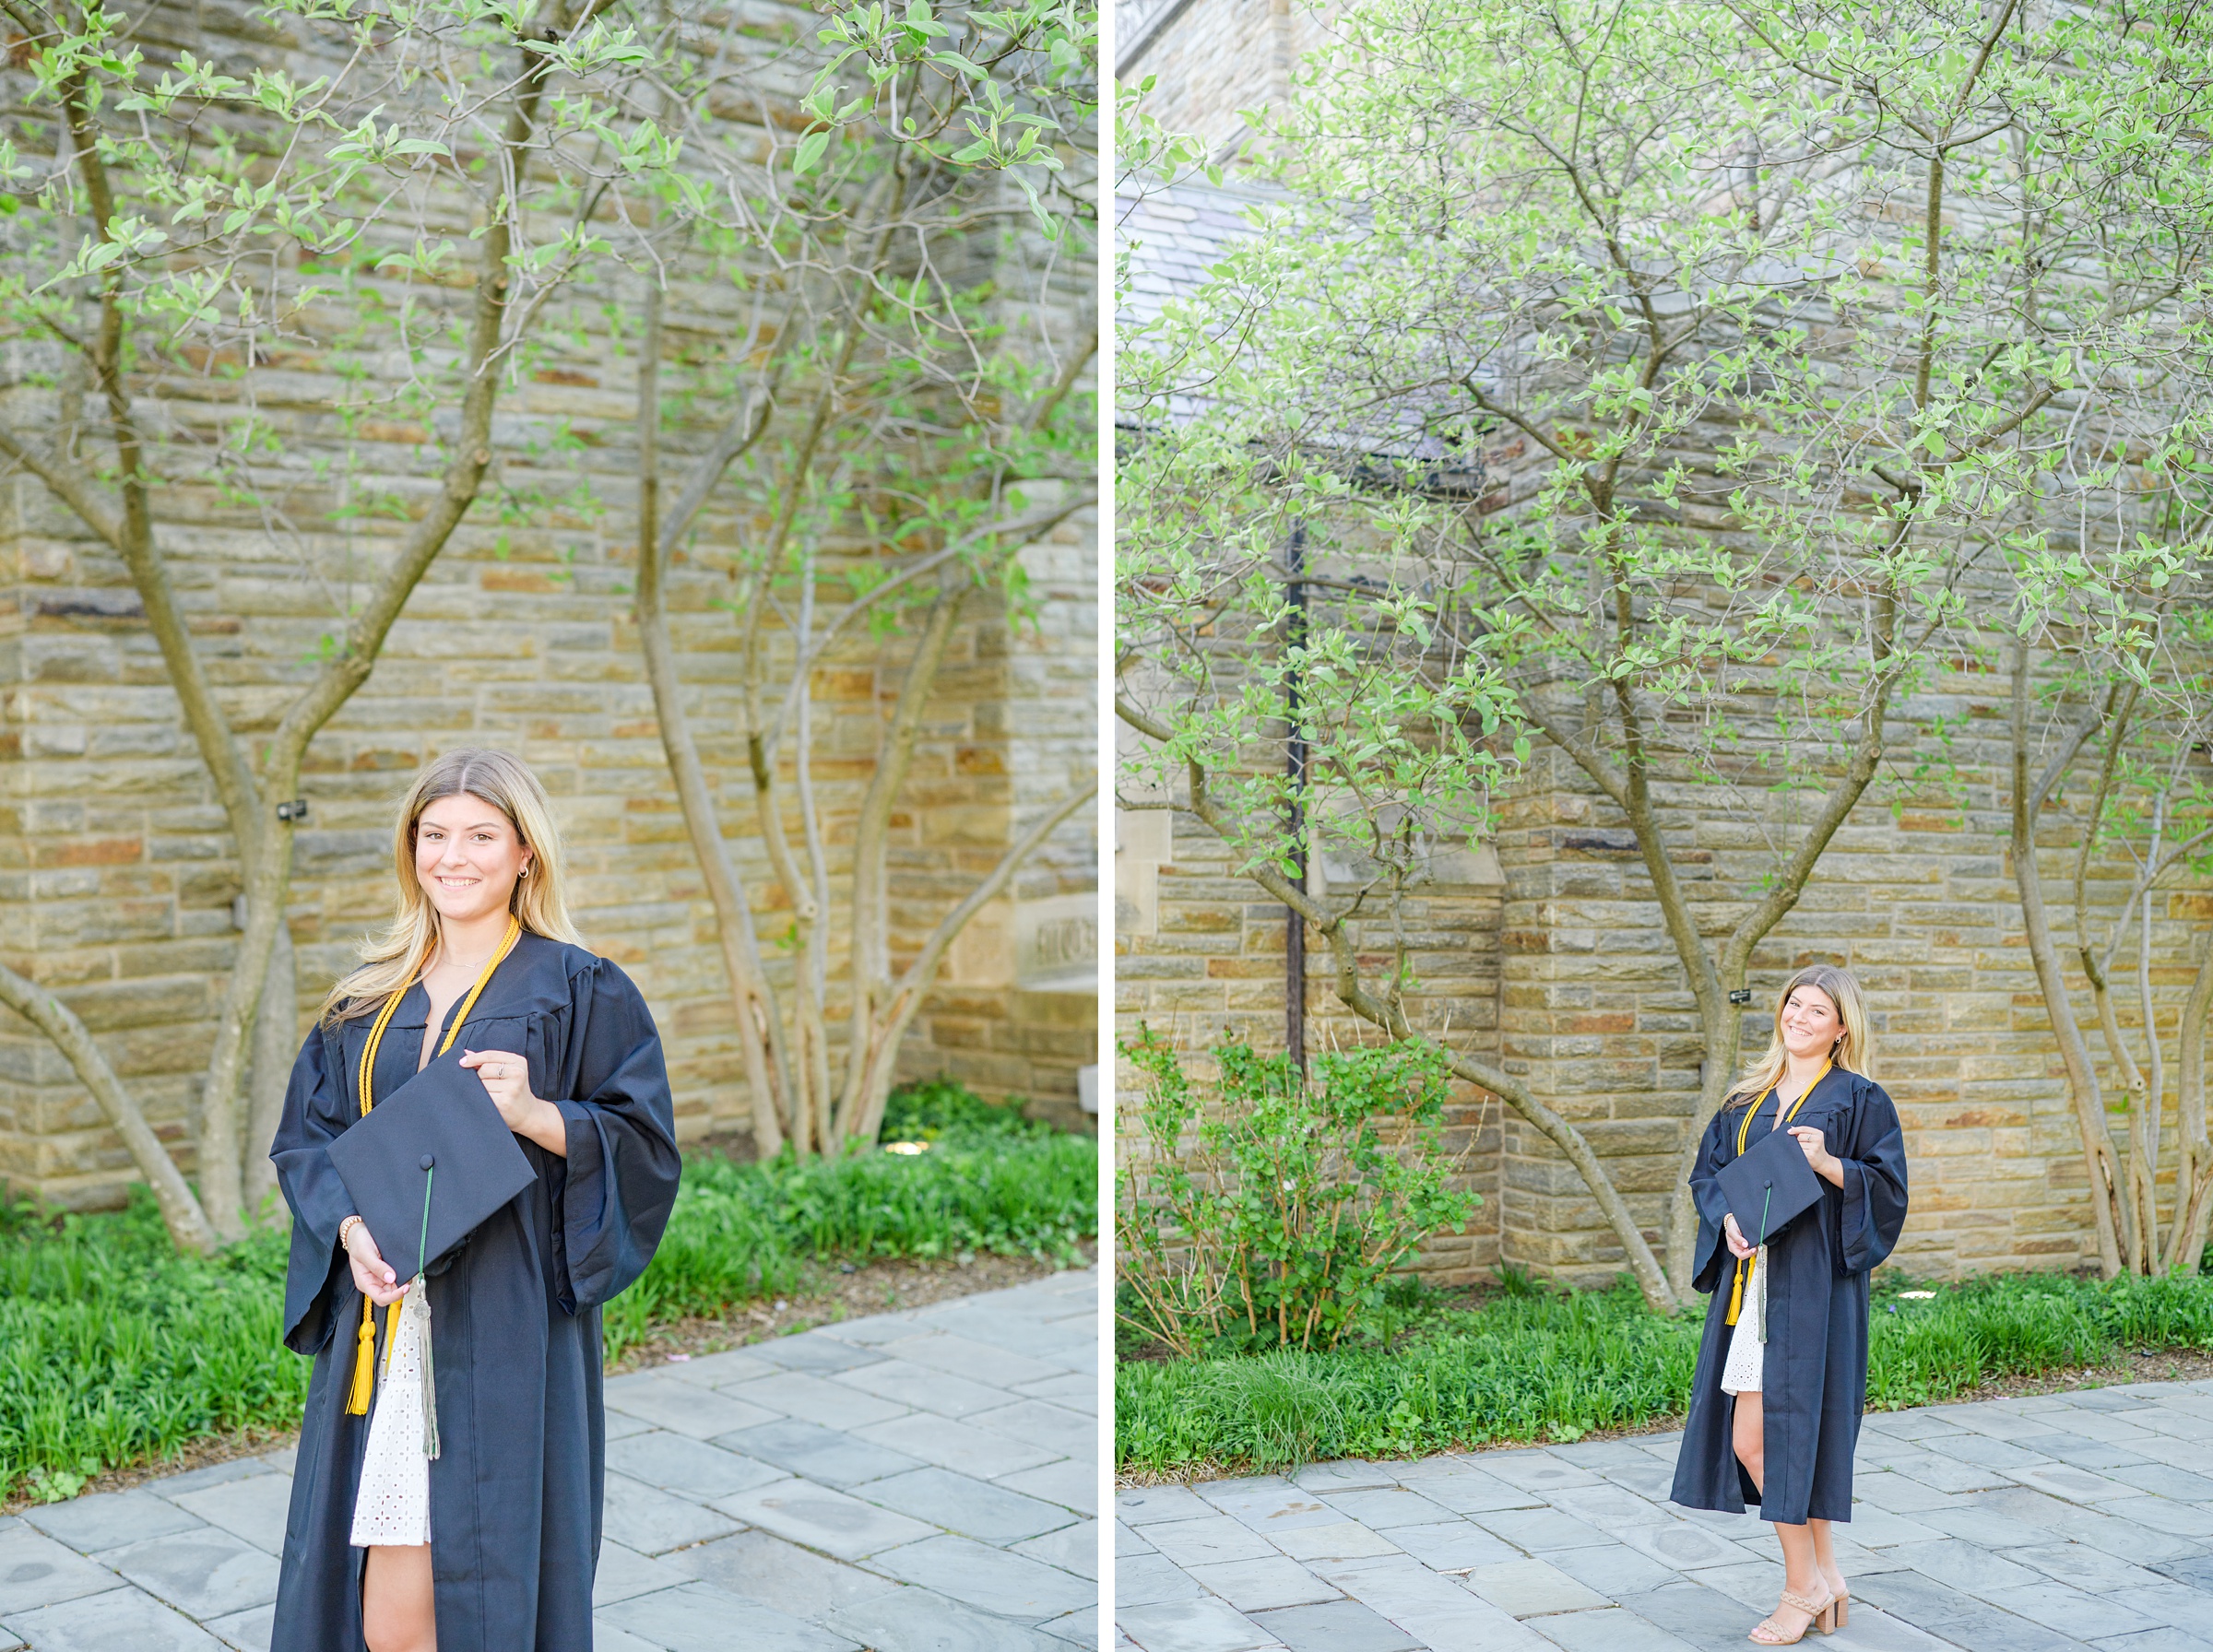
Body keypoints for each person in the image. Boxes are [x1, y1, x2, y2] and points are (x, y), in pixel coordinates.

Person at [269, 749, 682, 1652]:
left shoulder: (578, 989)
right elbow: (308, 1141)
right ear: (410, 846)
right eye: (435, 833)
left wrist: (539, 1114)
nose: (453, 856)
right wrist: (346, 1229)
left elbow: (645, 1147)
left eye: (482, 835)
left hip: (506, 1327)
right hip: (383, 1330)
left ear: (526, 851)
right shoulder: (362, 1003)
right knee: (383, 1591)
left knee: (485, 1569)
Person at [1669, 964, 1908, 1646]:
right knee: (1763, 1436)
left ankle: (1800, 1586)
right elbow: (1708, 1177)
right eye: (1793, 1005)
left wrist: (1834, 1166)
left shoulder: (1860, 1100)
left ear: (1840, 1028)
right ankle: (1825, 1577)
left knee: (1772, 1436)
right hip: (1754, 1289)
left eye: (1817, 1011)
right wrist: (1728, 1222)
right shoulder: (1747, 1098)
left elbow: (1888, 1192)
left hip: (1814, 1292)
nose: (1799, 1018)